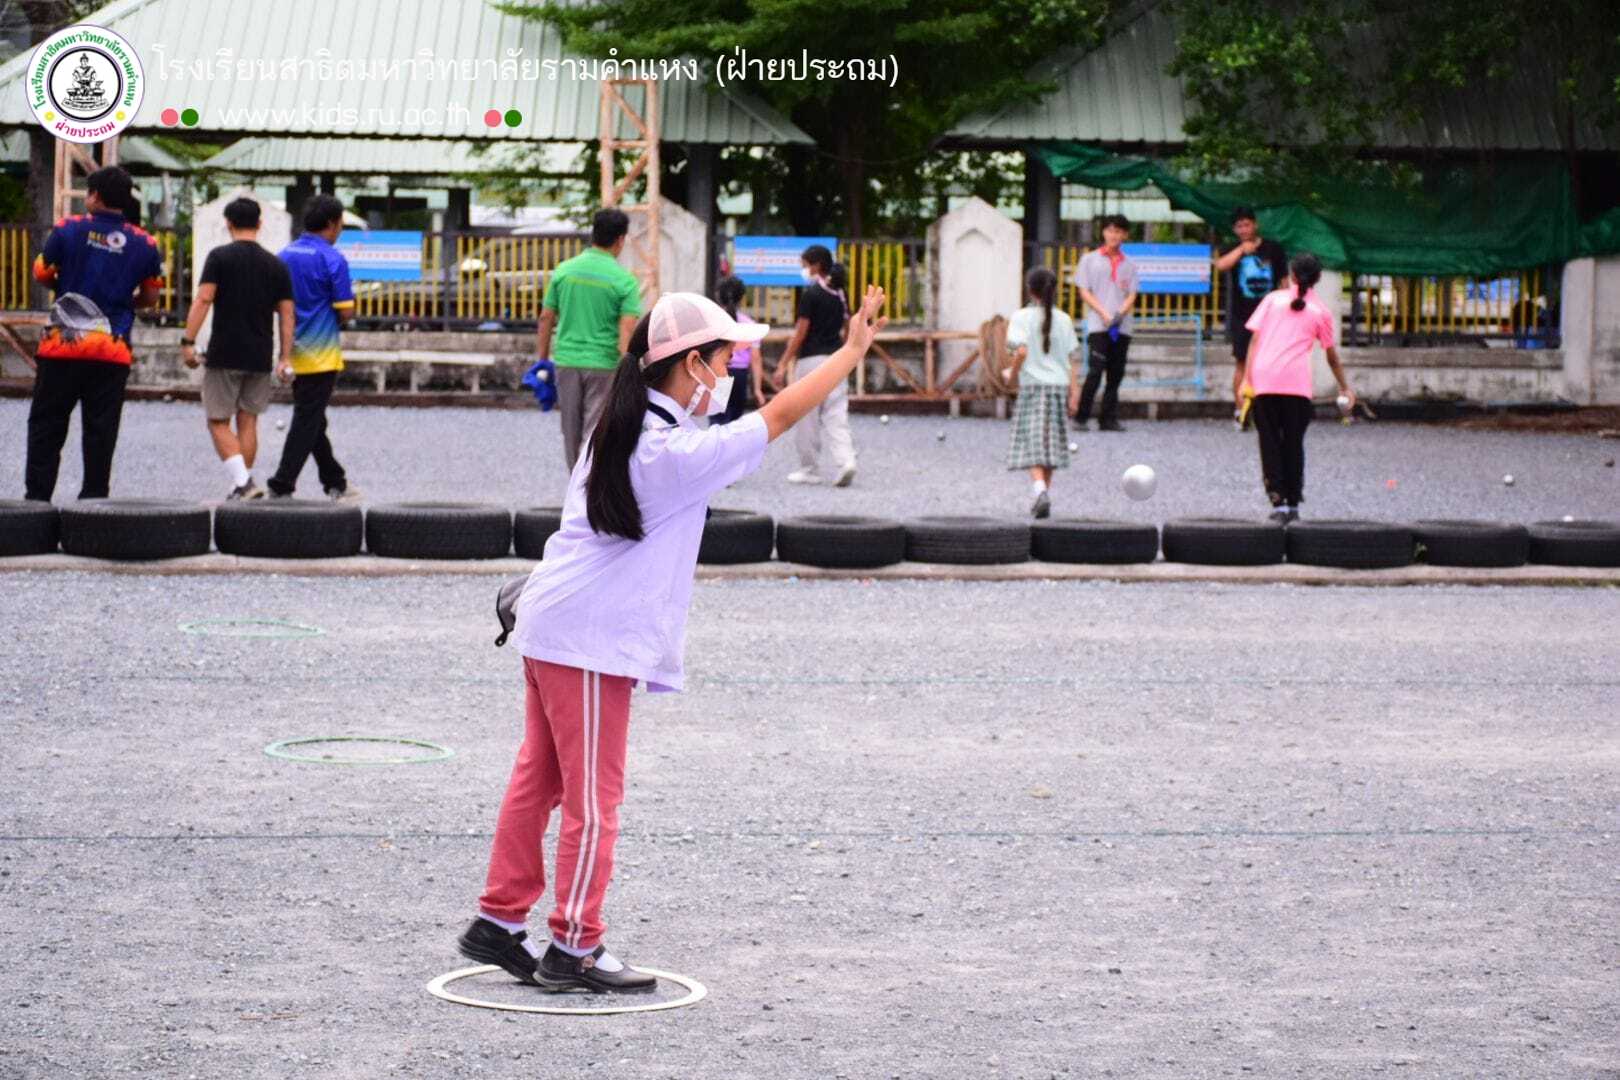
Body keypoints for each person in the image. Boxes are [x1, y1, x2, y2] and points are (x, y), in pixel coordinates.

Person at [456, 285, 890, 992]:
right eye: (724, 360)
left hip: (553, 627)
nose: (729, 374)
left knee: (541, 781)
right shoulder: (672, 453)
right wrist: (849, 352)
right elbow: (781, 414)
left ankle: (500, 921)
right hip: (587, 641)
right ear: (691, 364)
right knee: (594, 798)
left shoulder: (623, 426)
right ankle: (574, 944)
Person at [24, 166, 164, 502]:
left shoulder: (68, 229)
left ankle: (37, 502)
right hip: (111, 352)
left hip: (62, 347)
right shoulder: (145, 243)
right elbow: (150, 296)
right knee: (101, 430)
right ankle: (94, 503)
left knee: (47, 425)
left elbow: (41, 273)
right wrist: (124, 301)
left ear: (95, 196)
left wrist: (63, 287)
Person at [180, 197, 295, 501]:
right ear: (260, 224)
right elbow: (287, 314)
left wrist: (188, 341)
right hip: (260, 353)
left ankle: (243, 482)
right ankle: (240, 485)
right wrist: (284, 357)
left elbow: (204, 299)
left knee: (217, 420)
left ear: (228, 224)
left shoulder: (219, 258)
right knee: (248, 420)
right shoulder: (276, 265)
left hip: (225, 351)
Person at [1241, 252, 1355, 522]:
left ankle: (1277, 501)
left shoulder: (1272, 300)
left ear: (1291, 275)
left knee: (1269, 442)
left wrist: (1247, 379)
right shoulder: (1321, 312)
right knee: (1293, 443)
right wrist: (1345, 387)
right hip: (1297, 385)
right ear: (1317, 279)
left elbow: (1255, 341)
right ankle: (1293, 502)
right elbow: (1331, 356)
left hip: (1265, 380)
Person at [267, 195, 360, 501]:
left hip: (291, 352)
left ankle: (336, 481)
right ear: (333, 223)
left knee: (313, 418)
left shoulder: (284, 256)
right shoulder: (333, 259)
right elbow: (345, 311)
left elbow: (276, 303)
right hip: (322, 355)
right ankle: (282, 483)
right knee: (308, 419)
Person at [539, 209, 642, 470]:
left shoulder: (564, 271)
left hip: (566, 361)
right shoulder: (625, 281)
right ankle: (588, 484)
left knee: (570, 430)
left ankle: (575, 482)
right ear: (620, 239)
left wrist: (542, 359)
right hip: (603, 365)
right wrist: (629, 372)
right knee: (594, 429)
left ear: (594, 233)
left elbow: (545, 317)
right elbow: (626, 332)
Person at [772, 244, 856, 486]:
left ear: (816, 265)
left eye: (806, 265)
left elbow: (800, 334)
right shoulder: (840, 294)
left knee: (806, 415)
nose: (804, 270)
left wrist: (782, 364)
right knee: (837, 413)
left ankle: (809, 468)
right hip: (837, 359)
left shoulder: (811, 295)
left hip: (811, 361)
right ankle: (846, 461)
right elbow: (848, 327)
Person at [1004, 267, 1080, 519]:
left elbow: (1020, 351)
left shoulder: (1020, 317)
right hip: (1059, 387)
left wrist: (1011, 375)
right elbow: (1072, 359)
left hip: (1033, 387)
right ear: (1054, 290)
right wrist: (1075, 392)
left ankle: (1039, 490)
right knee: (1051, 444)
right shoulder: (1065, 319)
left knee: (1033, 441)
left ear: (1030, 290)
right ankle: (1043, 494)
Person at [1214, 206, 1288, 422]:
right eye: (1239, 226)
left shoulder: (1273, 249)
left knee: (1271, 363)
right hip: (1242, 316)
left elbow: (1284, 281)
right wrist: (1241, 250)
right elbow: (1220, 265)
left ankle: (1268, 409)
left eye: (1247, 224)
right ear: (1234, 230)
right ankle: (1241, 411)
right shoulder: (1232, 248)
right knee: (1242, 362)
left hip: (1270, 317)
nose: (1244, 229)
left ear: (1255, 224)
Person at [1073, 214, 1138, 432]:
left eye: (1118, 231)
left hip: (1122, 326)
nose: (1114, 235)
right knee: (1095, 370)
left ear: (1125, 235)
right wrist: (1104, 314)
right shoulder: (1089, 260)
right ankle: (1081, 417)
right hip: (1098, 325)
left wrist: (1119, 315)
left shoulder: (1130, 264)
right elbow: (1084, 291)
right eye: (1110, 230)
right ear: (1103, 233)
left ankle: (1108, 418)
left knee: (1116, 373)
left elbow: (1132, 294)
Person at [711, 274, 762, 425]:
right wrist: (757, 389)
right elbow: (756, 359)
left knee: (717, 420)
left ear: (718, 296)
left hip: (717, 373)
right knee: (735, 424)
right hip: (740, 377)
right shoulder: (750, 325)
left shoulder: (711, 322)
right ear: (741, 298)